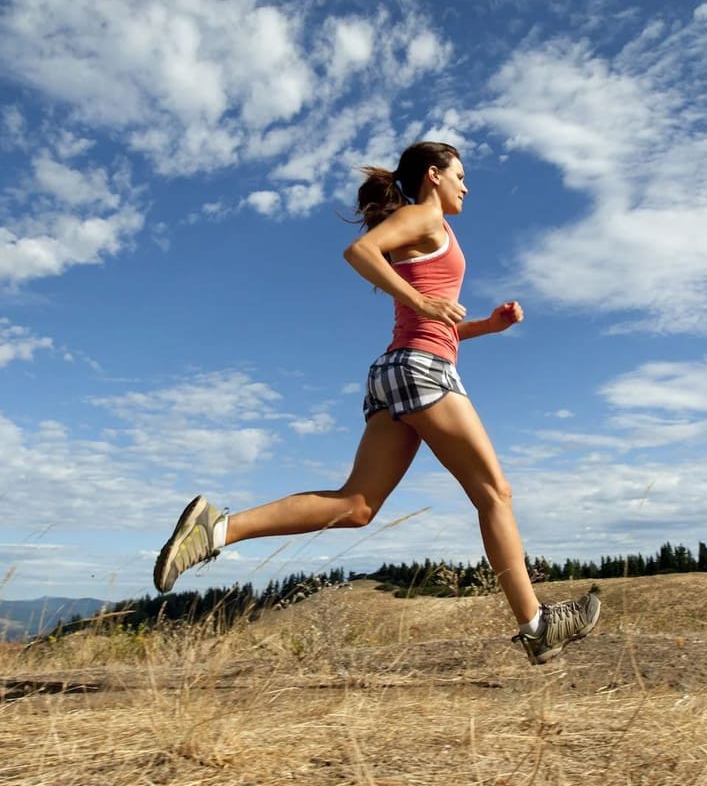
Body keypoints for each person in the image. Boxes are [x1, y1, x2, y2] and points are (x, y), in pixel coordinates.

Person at [152, 141, 599, 665]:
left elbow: (435, 326)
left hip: (399, 372)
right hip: (421, 372)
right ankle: (536, 626)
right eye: (460, 175)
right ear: (434, 175)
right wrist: (422, 300)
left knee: (356, 506)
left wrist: (487, 327)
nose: (466, 185)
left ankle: (217, 529)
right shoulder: (422, 217)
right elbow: (359, 253)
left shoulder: (434, 229)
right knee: (494, 493)